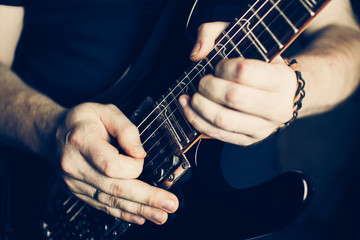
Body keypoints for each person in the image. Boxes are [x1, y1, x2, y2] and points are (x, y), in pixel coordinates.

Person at [0, 0, 359, 239]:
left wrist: (297, 87)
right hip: (42, 186)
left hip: (225, 209)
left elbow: (345, 34)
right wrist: (48, 130)